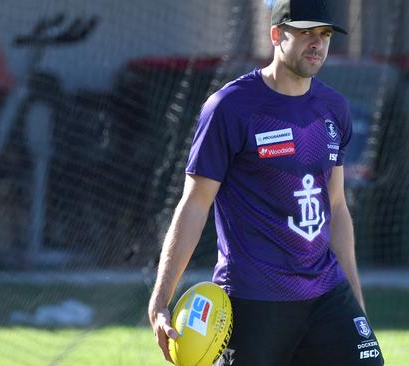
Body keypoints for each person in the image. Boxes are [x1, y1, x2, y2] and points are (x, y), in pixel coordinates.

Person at [148, 0, 384, 364]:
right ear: (276, 35)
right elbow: (194, 204)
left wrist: (355, 299)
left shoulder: (334, 108)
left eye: (324, 35)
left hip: (325, 293)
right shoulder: (230, 107)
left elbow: (335, 206)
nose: (317, 43)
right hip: (254, 299)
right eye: (305, 32)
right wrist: (161, 299)